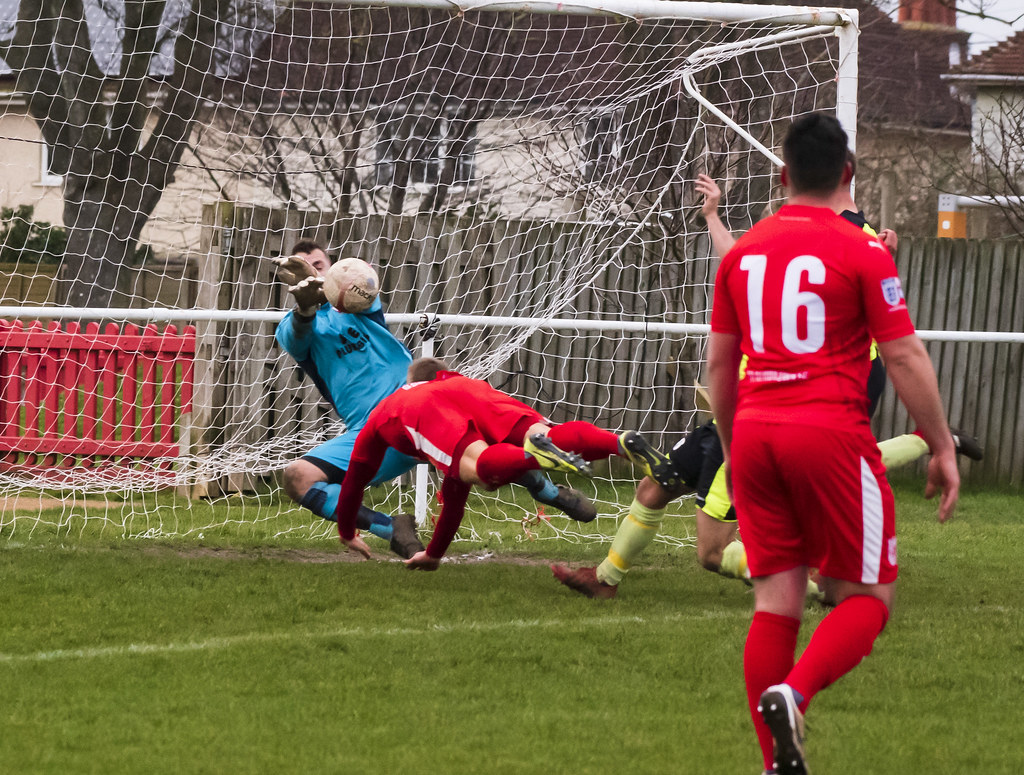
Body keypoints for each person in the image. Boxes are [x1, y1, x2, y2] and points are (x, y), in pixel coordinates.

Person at [551, 174, 981, 600]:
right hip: (752, 401)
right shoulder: (791, 237)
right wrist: (713, 216)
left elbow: (889, 336)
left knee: (719, 546)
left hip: (796, 398)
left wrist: (882, 256)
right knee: (655, 486)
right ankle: (605, 579)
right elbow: (741, 263)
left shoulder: (851, 239)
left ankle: (817, 582)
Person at [707, 113, 959, 774]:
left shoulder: (742, 252)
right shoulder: (864, 249)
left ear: (781, 175)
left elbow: (718, 365)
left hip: (755, 431)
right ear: (847, 172)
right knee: (868, 596)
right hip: (827, 433)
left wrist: (733, 449)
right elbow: (902, 355)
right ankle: (792, 695)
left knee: (775, 602)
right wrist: (941, 444)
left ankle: (775, 764)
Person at [274, 241, 596, 560]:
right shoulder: (292, 326)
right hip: (376, 430)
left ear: (333, 268)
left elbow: (361, 287)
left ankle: (550, 493)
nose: (312, 272)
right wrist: (305, 308)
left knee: (492, 451)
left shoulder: (357, 304)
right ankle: (391, 528)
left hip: (422, 406)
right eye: (303, 267)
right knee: (298, 477)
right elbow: (299, 337)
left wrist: (327, 289)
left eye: (318, 265)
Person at [335, 357, 677, 570]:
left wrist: (348, 531)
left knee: (478, 467)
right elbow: (454, 497)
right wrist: (435, 554)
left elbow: (353, 480)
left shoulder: (391, 407)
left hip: (417, 412)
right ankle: (618, 442)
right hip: (479, 395)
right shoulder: (461, 383)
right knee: (546, 434)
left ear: (410, 382)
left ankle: (534, 456)